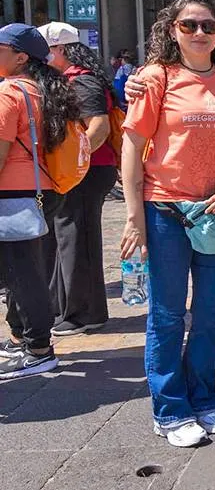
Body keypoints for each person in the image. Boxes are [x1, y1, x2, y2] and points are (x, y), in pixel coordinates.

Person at [120, 0, 215, 447]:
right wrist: (133, 217)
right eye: (189, 25)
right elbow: (132, 150)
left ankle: (204, 400)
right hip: (166, 213)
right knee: (166, 315)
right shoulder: (157, 78)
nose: (200, 33)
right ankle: (169, 409)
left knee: (210, 314)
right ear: (172, 30)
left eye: (208, 26)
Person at [0, 23, 76, 379]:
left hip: (12, 193)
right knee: (29, 273)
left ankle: (39, 350)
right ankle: (25, 340)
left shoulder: (9, 93)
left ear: (20, 57)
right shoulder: (42, 91)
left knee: (23, 276)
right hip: (43, 190)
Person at [38, 22, 118, 336]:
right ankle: (69, 309)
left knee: (76, 240)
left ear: (61, 49)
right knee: (68, 238)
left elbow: (98, 126)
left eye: (46, 50)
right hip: (80, 172)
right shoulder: (73, 79)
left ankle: (84, 313)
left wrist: (76, 164)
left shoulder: (81, 81)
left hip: (86, 173)